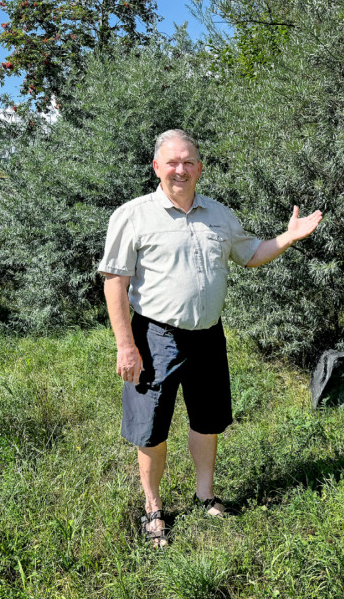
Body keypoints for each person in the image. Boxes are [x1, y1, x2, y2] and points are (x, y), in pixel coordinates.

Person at [98, 129, 322, 547]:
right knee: (152, 429)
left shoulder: (220, 214)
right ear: (156, 167)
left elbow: (251, 254)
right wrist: (125, 345)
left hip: (208, 336)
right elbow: (115, 282)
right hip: (154, 336)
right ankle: (153, 509)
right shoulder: (132, 215)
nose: (180, 169)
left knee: (208, 421)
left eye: (188, 162)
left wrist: (289, 237)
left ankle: (205, 496)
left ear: (200, 167)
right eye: (172, 162)